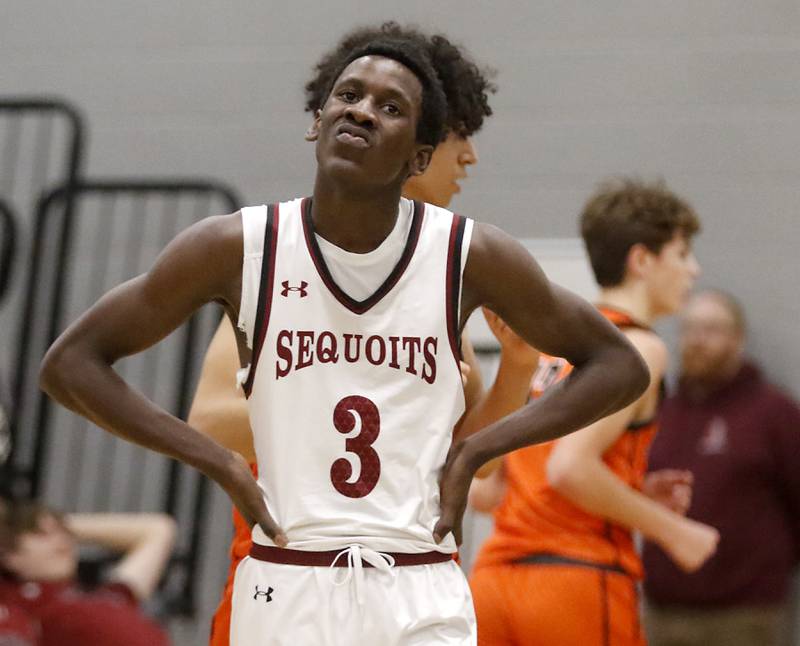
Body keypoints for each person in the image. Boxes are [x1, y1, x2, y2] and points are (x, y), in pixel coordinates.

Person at [38, 28, 648, 645]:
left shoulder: (468, 256)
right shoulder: (242, 247)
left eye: (390, 107)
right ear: (317, 118)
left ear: (417, 155)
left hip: (416, 579)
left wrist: (476, 451)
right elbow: (71, 365)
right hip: (288, 572)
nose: (361, 110)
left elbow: (617, 366)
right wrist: (217, 460)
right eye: (349, 94)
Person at [186, 22, 529, 646]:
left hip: (407, 585)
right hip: (289, 577)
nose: (470, 159)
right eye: (461, 136)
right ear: (424, 141)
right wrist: (348, 386)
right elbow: (209, 419)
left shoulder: (445, 270)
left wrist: (519, 367)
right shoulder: (279, 253)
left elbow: (464, 459)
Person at [469, 179, 720, 646]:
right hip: (576, 580)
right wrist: (674, 530)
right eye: (683, 254)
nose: (694, 269)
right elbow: (569, 468)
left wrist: (632, 489)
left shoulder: (552, 352)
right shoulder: (639, 348)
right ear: (642, 260)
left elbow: (489, 490)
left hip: (493, 582)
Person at [642, 290, 800, 646]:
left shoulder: (775, 413)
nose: (698, 341)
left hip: (746, 615)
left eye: (711, 330)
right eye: (690, 329)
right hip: (663, 612)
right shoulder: (660, 413)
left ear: (737, 338)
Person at [0, 498, 175, 645]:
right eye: (41, 534)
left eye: (63, 533)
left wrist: (64, 524)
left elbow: (159, 529)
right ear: (8, 554)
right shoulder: (14, 599)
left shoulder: (108, 594)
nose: (61, 541)